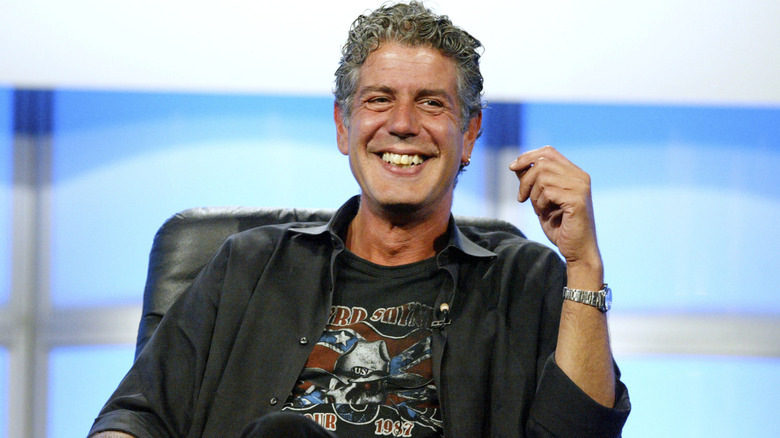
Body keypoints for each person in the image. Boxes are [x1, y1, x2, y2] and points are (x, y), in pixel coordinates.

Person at [89, 2, 630, 437]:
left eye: (432, 104)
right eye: (379, 99)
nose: (402, 124)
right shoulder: (247, 266)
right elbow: (136, 418)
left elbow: (582, 431)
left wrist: (582, 264)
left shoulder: (525, 280)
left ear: (469, 134)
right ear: (343, 126)